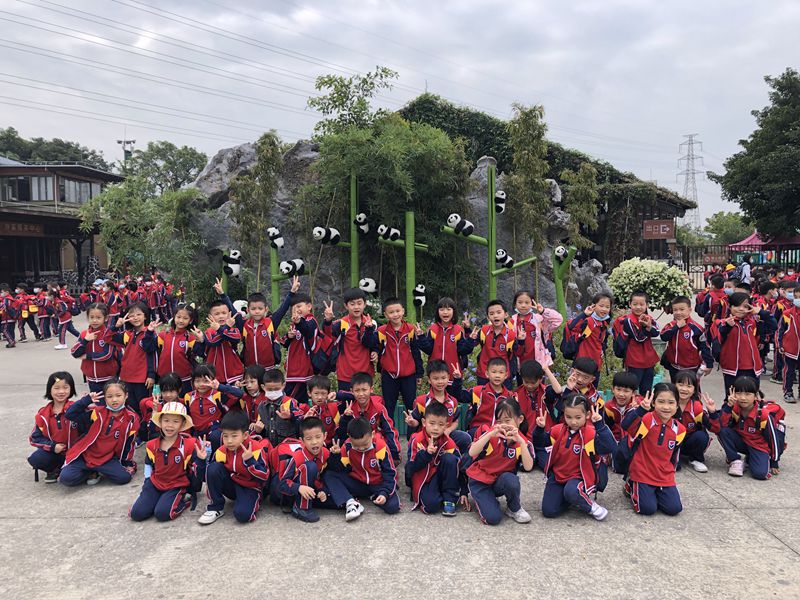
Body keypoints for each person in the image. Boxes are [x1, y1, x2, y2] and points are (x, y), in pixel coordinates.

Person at [534, 394, 615, 520]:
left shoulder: (590, 434)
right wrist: (539, 429)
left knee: (572, 491)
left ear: (587, 415)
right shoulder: (558, 430)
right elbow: (539, 443)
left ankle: (591, 506)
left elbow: (610, 447)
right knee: (549, 511)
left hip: (580, 477)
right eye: (568, 417)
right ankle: (573, 499)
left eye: (578, 417)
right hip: (558, 476)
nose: (573, 422)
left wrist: (600, 425)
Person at [129, 402, 207, 522]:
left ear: (182, 424)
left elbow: (198, 473)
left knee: (162, 514)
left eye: (175, 421)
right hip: (155, 483)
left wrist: (201, 460)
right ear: (160, 422)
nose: (170, 425)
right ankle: (157, 501)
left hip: (176, 485)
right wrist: (147, 482)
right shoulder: (151, 445)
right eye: (166, 420)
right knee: (137, 514)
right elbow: (148, 464)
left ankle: (184, 500)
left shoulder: (189, 444)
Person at [618, 384, 685, 516]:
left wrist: (670, 474)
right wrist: (641, 410)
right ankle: (631, 484)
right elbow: (625, 425)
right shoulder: (647, 419)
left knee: (674, 508)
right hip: (642, 471)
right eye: (661, 401)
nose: (666, 407)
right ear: (653, 403)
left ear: (677, 405)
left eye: (671, 403)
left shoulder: (680, 429)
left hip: (663, 474)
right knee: (647, 509)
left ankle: (653, 492)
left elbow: (674, 456)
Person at [466, 399, 535, 525]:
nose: (503, 425)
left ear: (520, 419)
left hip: (499, 481)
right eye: (499, 421)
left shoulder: (523, 441)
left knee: (511, 479)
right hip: (480, 481)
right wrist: (490, 434)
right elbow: (471, 452)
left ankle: (514, 508)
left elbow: (528, 467)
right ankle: (486, 500)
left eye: (507, 420)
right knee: (493, 518)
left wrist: (521, 442)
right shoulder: (489, 432)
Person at [59, 380, 140, 487]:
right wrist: (86, 400)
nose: (114, 400)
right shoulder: (96, 412)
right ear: (105, 398)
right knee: (66, 478)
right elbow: (69, 415)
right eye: (109, 396)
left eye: (118, 395)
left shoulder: (131, 418)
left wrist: (127, 463)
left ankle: (97, 470)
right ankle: (91, 471)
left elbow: (129, 444)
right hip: (86, 456)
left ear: (126, 396)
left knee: (123, 478)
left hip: (108, 459)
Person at [198, 410, 271, 525]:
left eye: (234, 436)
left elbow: (264, 477)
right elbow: (208, 477)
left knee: (242, 515)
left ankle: (250, 501)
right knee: (213, 467)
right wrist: (202, 461)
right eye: (225, 436)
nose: (229, 441)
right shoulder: (222, 451)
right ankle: (215, 508)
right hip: (232, 485)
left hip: (250, 488)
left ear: (245, 435)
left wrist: (250, 461)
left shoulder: (255, 449)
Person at [324, 417, 400, 521]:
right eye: (356, 446)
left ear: (372, 434)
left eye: (365, 444)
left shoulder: (380, 447)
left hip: (377, 484)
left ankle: (373, 495)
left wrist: (384, 493)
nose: (361, 448)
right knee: (329, 475)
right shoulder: (347, 446)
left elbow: (390, 474)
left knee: (393, 506)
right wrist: (336, 455)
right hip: (358, 483)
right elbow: (341, 469)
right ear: (349, 437)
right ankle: (351, 502)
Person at [216, 276, 299, 370]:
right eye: (253, 309)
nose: (257, 311)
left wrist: (292, 292)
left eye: (260, 308)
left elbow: (282, 309)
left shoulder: (270, 322)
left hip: (268, 368)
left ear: (266, 309)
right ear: (248, 310)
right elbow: (232, 309)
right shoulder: (244, 324)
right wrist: (222, 294)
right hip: (250, 369)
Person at [712, 376, 786, 479]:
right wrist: (728, 406)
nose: (743, 398)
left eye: (747, 394)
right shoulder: (732, 407)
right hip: (742, 441)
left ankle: (752, 458)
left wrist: (775, 461)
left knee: (760, 474)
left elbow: (774, 439)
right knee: (722, 430)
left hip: (758, 446)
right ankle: (735, 460)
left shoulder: (763, 415)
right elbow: (718, 425)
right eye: (738, 393)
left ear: (756, 396)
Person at [709, 292, 777, 397]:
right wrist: (728, 326)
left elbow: (774, 326)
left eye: (745, 306)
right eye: (737, 305)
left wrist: (761, 312)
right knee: (732, 398)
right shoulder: (721, 322)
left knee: (752, 398)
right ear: (730, 307)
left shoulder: (753, 322)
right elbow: (718, 338)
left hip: (753, 368)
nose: (741, 309)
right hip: (733, 369)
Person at [111, 302, 159, 443]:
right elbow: (108, 338)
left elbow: (152, 354)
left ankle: (143, 434)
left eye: (139, 314)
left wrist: (151, 375)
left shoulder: (150, 334)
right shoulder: (128, 334)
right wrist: (116, 326)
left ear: (145, 316)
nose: (135, 317)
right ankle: (134, 432)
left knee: (143, 408)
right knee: (130, 407)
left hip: (142, 379)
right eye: (132, 315)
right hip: (126, 377)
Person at [405, 401, 462, 516]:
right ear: (424, 422)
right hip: (424, 478)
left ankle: (449, 498)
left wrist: (464, 491)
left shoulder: (448, 442)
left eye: (441, 424)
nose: (436, 428)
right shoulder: (416, 439)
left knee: (451, 459)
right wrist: (426, 454)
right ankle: (432, 493)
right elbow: (410, 468)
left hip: (440, 476)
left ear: (446, 426)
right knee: (431, 506)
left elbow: (458, 467)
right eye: (432, 423)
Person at [404, 359, 471, 453]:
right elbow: (416, 423)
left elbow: (455, 422)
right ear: (429, 380)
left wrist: (447, 431)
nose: (440, 382)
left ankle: (452, 457)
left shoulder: (453, 401)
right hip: (427, 438)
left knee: (465, 438)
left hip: (445, 436)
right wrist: (412, 422)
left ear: (448, 378)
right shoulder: (421, 401)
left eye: (443, 378)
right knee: (415, 441)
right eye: (435, 378)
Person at [335, 371, 401, 462]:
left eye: (364, 390)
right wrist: (346, 418)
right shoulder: (349, 408)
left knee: (379, 438)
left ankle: (381, 462)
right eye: (357, 391)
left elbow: (390, 430)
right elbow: (341, 433)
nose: (361, 394)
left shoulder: (379, 408)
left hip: (373, 440)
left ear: (371, 389)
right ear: (352, 391)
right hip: (356, 442)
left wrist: (394, 453)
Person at [275, 417, 331, 523]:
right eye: (309, 439)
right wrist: (299, 488)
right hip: (287, 494)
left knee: (332, 501)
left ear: (325, 436)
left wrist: (322, 491)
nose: (314, 442)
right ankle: (301, 507)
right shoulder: (298, 457)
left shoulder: (326, 453)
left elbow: (320, 477)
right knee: (310, 466)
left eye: (318, 437)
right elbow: (282, 485)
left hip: (309, 489)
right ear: (302, 441)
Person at [322, 287, 379, 391]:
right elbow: (328, 336)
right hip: (346, 374)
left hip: (366, 373)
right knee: (346, 401)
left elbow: (373, 343)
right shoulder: (341, 324)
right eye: (352, 304)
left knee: (365, 400)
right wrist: (328, 320)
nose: (356, 307)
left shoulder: (371, 323)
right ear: (346, 305)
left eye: (359, 303)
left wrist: (375, 351)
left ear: (365, 304)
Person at [376, 297, 424, 419]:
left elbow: (416, 352)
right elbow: (378, 350)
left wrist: (419, 373)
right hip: (389, 375)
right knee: (388, 408)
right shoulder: (382, 331)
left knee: (411, 407)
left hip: (409, 375)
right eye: (391, 312)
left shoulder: (410, 329)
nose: (395, 314)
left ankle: (412, 431)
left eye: (398, 311)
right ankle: (389, 431)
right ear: (386, 315)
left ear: (403, 311)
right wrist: (380, 368)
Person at [28, 372, 79, 482]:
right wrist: (52, 447)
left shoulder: (77, 409)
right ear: (49, 390)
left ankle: (84, 471)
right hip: (55, 453)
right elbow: (34, 438)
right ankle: (54, 470)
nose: (61, 391)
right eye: (56, 388)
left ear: (71, 389)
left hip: (76, 454)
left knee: (69, 479)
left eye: (65, 387)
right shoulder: (43, 414)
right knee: (35, 458)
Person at [183, 364, 243, 451]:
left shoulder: (217, 395)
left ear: (213, 380)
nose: (201, 384)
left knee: (216, 436)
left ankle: (217, 457)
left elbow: (239, 394)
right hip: (197, 433)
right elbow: (187, 418)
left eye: (206, 381)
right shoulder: (188, 397)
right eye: (197, 381)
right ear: (192, 382)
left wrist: (219, 386)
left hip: (215, 431)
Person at [514, 359, 563, 468]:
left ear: (541, 379)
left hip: (544, 438)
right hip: (526, 439)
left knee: (548, 464)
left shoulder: (546, 392)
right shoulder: (516, 394)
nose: (529, 385)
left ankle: (537, 457)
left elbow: (559, 390)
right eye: (526, 382)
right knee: (524, 465)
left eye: (533, 383)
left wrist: (546, 370)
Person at [417, 297, 475, 385]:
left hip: (454, 374)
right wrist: (421, 337)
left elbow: (463, 351)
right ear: (437, 312)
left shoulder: (458, 330)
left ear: (453, 311)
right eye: (442, 309)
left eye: (448, 309)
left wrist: (470, 339)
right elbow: (428, 350)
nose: (445, 312)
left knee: (454, 394)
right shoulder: (433, 329)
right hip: (436, 374)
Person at [453, 357, 514, 437]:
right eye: (494, 372)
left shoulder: (510, 397)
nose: (497, 375)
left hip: (500, 432)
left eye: (501, 372)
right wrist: (457, 380)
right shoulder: (477, 391)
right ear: (487, 374)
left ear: (506, 375)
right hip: (478, 432)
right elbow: (459, 396)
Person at [613, 292, 660, 395]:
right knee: (632, 389)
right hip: (634, 360)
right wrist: (647, 328)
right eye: (635, 304)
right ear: (630, 304)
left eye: (641, 304)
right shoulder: (628, 321)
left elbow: (657, 332)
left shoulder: (648, 318)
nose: (638, 307)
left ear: (647, 305)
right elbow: (639, 338)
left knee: (646, 390)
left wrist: (648, 326)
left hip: (649, 359)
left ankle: (645, 405)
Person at [659, 296, 713, 382]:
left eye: (682, 309)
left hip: (691, 368)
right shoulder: (671, 325)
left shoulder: (696, 328)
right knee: (676, 388)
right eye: (675, 310)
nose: (678, 312)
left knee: (691, 388)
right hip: (674, 367)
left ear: (689, 310)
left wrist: (709, 364)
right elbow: (664, 337)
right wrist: (676, 327)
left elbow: (705, 347)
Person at [71, 303, 120, 397]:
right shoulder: (84, 334)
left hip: (108, 378)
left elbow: (107, 355)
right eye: (91, 317)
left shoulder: (108, 334)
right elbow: (75, 353)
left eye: (98, 317)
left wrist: (88, 356)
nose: (94, 320)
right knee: (97, 402)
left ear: (106, 318)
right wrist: (85, 340)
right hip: (91, 379)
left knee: (110, 401)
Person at [472, 299, 524, 386]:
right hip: (484, 374)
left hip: (503, 377)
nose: (495, 316)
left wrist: (521, 341)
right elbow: (470, 347)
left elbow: (518, 353)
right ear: (488, 317)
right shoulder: (484, 331)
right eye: (491, 314)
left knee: (505, 395)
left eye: (499, 312)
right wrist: (471, 337)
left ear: (506, 314)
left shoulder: (511, 335)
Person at [156, 302, 204, 395]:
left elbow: (200, 353)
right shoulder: (163, 335)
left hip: (184, 379)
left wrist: (200, 341)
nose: (181, 320)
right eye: (178, 317)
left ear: (190, 320)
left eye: (185, 318)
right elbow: (152, 351)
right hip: (164, 378)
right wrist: (149, 333)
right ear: (174, 317)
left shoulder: (190, 337)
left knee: (184, 400)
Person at [673, 369, 716, 473]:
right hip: (671, 441)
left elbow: (714, 428)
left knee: (701, 436)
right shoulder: (668, 404)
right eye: (680, 384)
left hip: (689, 441)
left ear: (694, 390)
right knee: (675, 467)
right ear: (674, 385)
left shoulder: (697, 407)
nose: (684, 389)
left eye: (689, 386)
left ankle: (696, 459)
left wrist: (713, 413)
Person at [509, 290, 562, 371]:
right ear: (515, 304)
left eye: (527, 302)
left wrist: (543, 311)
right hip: (520, 361)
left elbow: (558, 320)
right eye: (520, 302)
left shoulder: (538, 319)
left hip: (538, 360)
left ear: (532, 304)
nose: (523, 305)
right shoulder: (512, 321)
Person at [566, 293, 612, 382]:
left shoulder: (604, 323)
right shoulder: (588, 321)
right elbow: (572, 327)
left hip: (596, 364)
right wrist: (585, 314)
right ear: (594, 305)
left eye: (607, 307)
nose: (604, 309)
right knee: (577, 387)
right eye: (601, 306)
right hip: (582, 364)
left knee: (592, 388)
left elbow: (602, 342)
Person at [282, 292, 319, 403]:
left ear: (309, 306)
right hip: (292, 369)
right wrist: (289, 336)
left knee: (291, 400)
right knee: (295, 400)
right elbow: (284, 343)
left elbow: (307, 330)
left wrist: (298, 322)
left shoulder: (311, 320)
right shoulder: (294, 323)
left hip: (301, 370)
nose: (296, 310)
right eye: (293, 308)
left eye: (299, 306)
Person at [251, 368, 301, 446]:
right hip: (270, 447)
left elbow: (302, 421)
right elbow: (262, 430)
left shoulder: (290, 402)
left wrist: (291, 416)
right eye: (269, 389)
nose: (273, 392)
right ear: (263, 387)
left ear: (283, 385)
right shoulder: (261, 406)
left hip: (287, 447)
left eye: (277, 389)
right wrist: (258, 430)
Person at [204, 294, 244, 385]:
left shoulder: (234, 330)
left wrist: (221, 329)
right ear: (210, 317)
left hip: (234, 373)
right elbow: (212, 342)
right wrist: (226, 327)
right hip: (214, 374)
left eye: (224, 313)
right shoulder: (208, 332)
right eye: (217, 314)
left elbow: (236, 339)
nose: (221, 316)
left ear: (229, 314)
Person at [776, 283, 800, 403]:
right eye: (796, 297)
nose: (798, 300)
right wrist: (779, 345)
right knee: (789, 371)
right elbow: (780, 331)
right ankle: (788, 392)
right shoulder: (787, 314)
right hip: (790, 348)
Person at [301, 375, 342, 444]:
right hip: (311, 444)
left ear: (328, 393)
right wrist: (304, 419)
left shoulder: (333, 407)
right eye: (316, 393)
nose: (320, 397)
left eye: (323, 393)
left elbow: (338, 428)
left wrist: (337, 394)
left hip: (330, 444)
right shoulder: (305, 408)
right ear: (309, 393)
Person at [603, 371, 641, 443]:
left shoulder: (638, 407)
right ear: (613, 389)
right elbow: (606, 428)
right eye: (618, 389)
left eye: (626, 391)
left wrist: (634, 412)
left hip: (633, 441)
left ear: (633, 393)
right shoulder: (608, 407)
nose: (621, 394)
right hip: (614, 441)